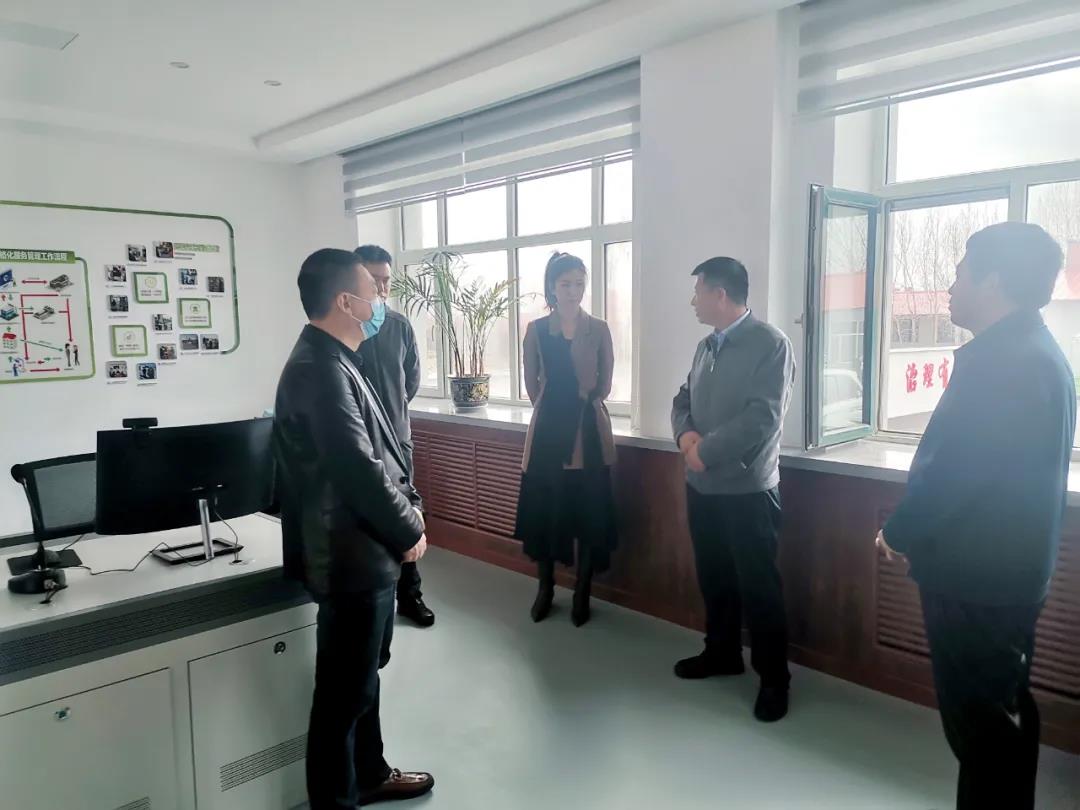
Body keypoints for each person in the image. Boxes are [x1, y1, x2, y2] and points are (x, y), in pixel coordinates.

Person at [876, 223, 1074, 810]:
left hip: (978, 579)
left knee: (983, 732)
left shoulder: (1007, 363)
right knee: (999, 714)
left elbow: (959, 472)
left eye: (960, 272)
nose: (950, 286)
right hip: (1002, 573)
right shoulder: (1030, 351)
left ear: (993, 281)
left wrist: (897, 531)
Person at [273, 248, 435, 808]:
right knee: (341, 701)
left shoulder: (338, 358)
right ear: (346, 302)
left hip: (365, 555)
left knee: (364, 681)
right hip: (350, 560)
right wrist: (409, 528)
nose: (380, 302)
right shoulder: (318, 369)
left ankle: (371, 773)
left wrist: (406, 515)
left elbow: (379, 454)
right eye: (373, 292)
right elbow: (358, 470)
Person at [671, 256, 795, 723]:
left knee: (759, 587)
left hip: (748, 491)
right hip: (701, 486)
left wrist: (707, 451)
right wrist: (686, 436)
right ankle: (722, 653)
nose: (693, 301)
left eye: (698, 292)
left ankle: (774, 679)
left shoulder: (771, 344)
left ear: (720, 294)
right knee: (715, 577)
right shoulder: (705, 346)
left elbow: (764, 417)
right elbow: (683, 399)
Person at [514, 252, 618, 627]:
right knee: (546, 514)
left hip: (588, 429)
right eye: (565, 284)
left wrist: (580, 403)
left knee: (589, 515)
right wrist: (555, 406)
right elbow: (531, 385)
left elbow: (605, 383)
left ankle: (582, 592)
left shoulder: (599, 329)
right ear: (552, 288)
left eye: (579, 283)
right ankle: (545, 588)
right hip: (548, 432)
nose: (573, 291)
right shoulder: (537, 330)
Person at [354, 244, 434, 628]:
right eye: (374, 280)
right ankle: (377, 597)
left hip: (398, 443)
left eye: (386, 280)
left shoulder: (399, 327)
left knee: (407, 517)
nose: (383, 288)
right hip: (358, 444)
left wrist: (393, 418)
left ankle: (411, 596)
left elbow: (410, 381)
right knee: (371, 521)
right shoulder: (346, 329)